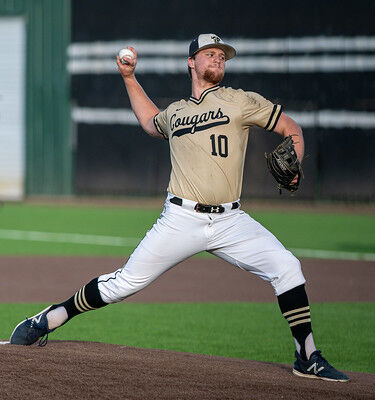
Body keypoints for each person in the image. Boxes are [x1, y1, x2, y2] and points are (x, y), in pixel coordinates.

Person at [10, 33, 348, 382]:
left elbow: (290, 128)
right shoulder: (177, 112)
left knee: (287, 267)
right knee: (123, 284)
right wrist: (129, 78)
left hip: (231, 220)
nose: (218, 59)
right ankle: (51, 317)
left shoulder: (240, 101)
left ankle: (306, 356)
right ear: (192, 61)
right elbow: (149, 120)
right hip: (181, 219)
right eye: (211, 53)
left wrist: (296, 162)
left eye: (223, 56)